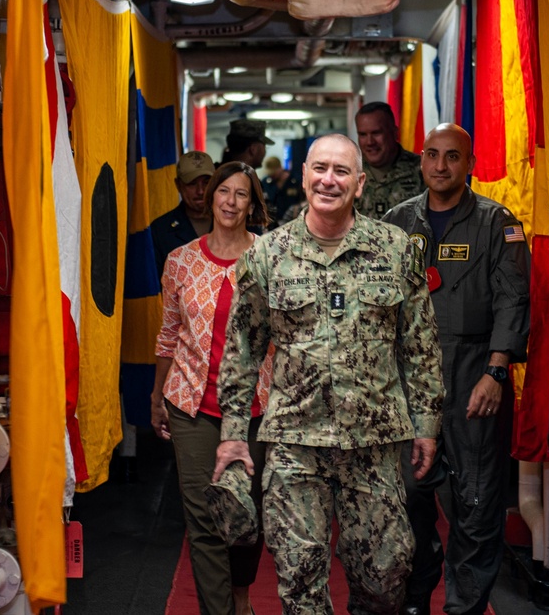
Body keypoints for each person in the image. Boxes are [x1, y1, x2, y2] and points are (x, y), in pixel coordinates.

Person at [212, 134, 446, 614]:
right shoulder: (268, 255)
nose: (329, 180)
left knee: (384, 577)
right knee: (299, 579)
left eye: (341, 171)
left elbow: (419, 344)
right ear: (303, 177)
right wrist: (234, 434)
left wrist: (427, 425)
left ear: (359, 184)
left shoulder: (396, 249)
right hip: (295, 445)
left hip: (374, 444)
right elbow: (242, 348)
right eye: (320, 168)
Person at [382, 124, 530, 615]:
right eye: (431, 155)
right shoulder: (397, 222)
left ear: (470, 164)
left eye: (452, 157)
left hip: (473, 372)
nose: (440, 166)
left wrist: (496, 371)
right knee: (407, 495)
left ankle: (463, 607)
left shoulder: (496, 224)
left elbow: (514, 299)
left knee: (477, 501)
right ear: (421, 160)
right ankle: (416, 592)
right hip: (409, 377)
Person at [151, 162, 273, 615]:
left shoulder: (270, 258)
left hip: (256, 408)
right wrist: (156, 395)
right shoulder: (180, 260)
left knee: (246, 517)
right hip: (191, 406)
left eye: (241, 194)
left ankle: (241, 596)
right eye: (223, 190)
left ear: (251, 205)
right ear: (211, 196)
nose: (229, 201)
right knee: (203, 519)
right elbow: (167, 335)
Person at [150, 150, 216, 280]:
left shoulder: (234, 224)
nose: (200, 191)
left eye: (206, 182)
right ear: (178, 185)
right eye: (192, 183)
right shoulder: (160, 230)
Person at [354, 101, 423, 219]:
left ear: (395, 133)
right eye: (363, 134)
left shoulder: (422, 170)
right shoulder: (350, 172)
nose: (370, 142)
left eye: (376, 133)